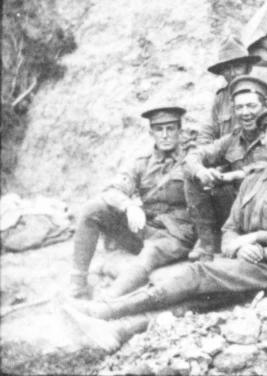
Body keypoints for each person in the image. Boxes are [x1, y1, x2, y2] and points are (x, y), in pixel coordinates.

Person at [61, 106, 267, 350]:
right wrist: (237, 246)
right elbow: (231, 229)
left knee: (196, 274)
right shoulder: (253, 178)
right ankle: (118, 330)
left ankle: (105, 310)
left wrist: (257, 238)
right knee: (195, 302)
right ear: (264, 139)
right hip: (248, 264)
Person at [67, 104, 197, 300]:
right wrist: (129, 206)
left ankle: (110, 298)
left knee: (150, 254)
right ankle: (77, 285)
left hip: (177, 232)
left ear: (180, 130)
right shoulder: (142, 161)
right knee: (92, 209)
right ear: (151, 132)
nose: (165, 135)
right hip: (146, 225)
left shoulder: (193, 158)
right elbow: (112, 190)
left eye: (170, 128)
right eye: (159, 129)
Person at [183, 75, 267, 261]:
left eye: (251, 106)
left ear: (265, 107)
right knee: (192, 177)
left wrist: (236, 175)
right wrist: (201, 172)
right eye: (239, 107)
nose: (245, 113)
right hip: (238, 209)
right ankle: (208, 245)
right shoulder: (232, 139)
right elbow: (193, 157)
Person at [197, 35, 267, 146]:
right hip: (228, 158)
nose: (233, 73)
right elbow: (207, 132)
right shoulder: (221, 98)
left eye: (238, 67)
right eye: (226, 69)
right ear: (221, 73)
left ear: (248, 68)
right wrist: (201, 153)